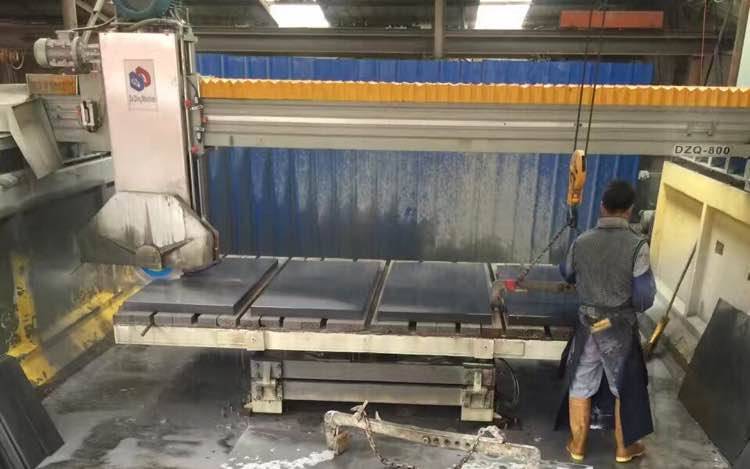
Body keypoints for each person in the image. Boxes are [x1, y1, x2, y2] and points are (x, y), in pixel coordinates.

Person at [555, 179, 656, 463]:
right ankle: (624, 450)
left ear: (602, 206)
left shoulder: (582, 241)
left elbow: (567, 273)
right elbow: (645, 297)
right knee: (623, 387)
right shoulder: (638, 246)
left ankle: (577, 446)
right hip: (619, 329)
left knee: (581, 382)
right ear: (630, 210)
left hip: (589, 326)